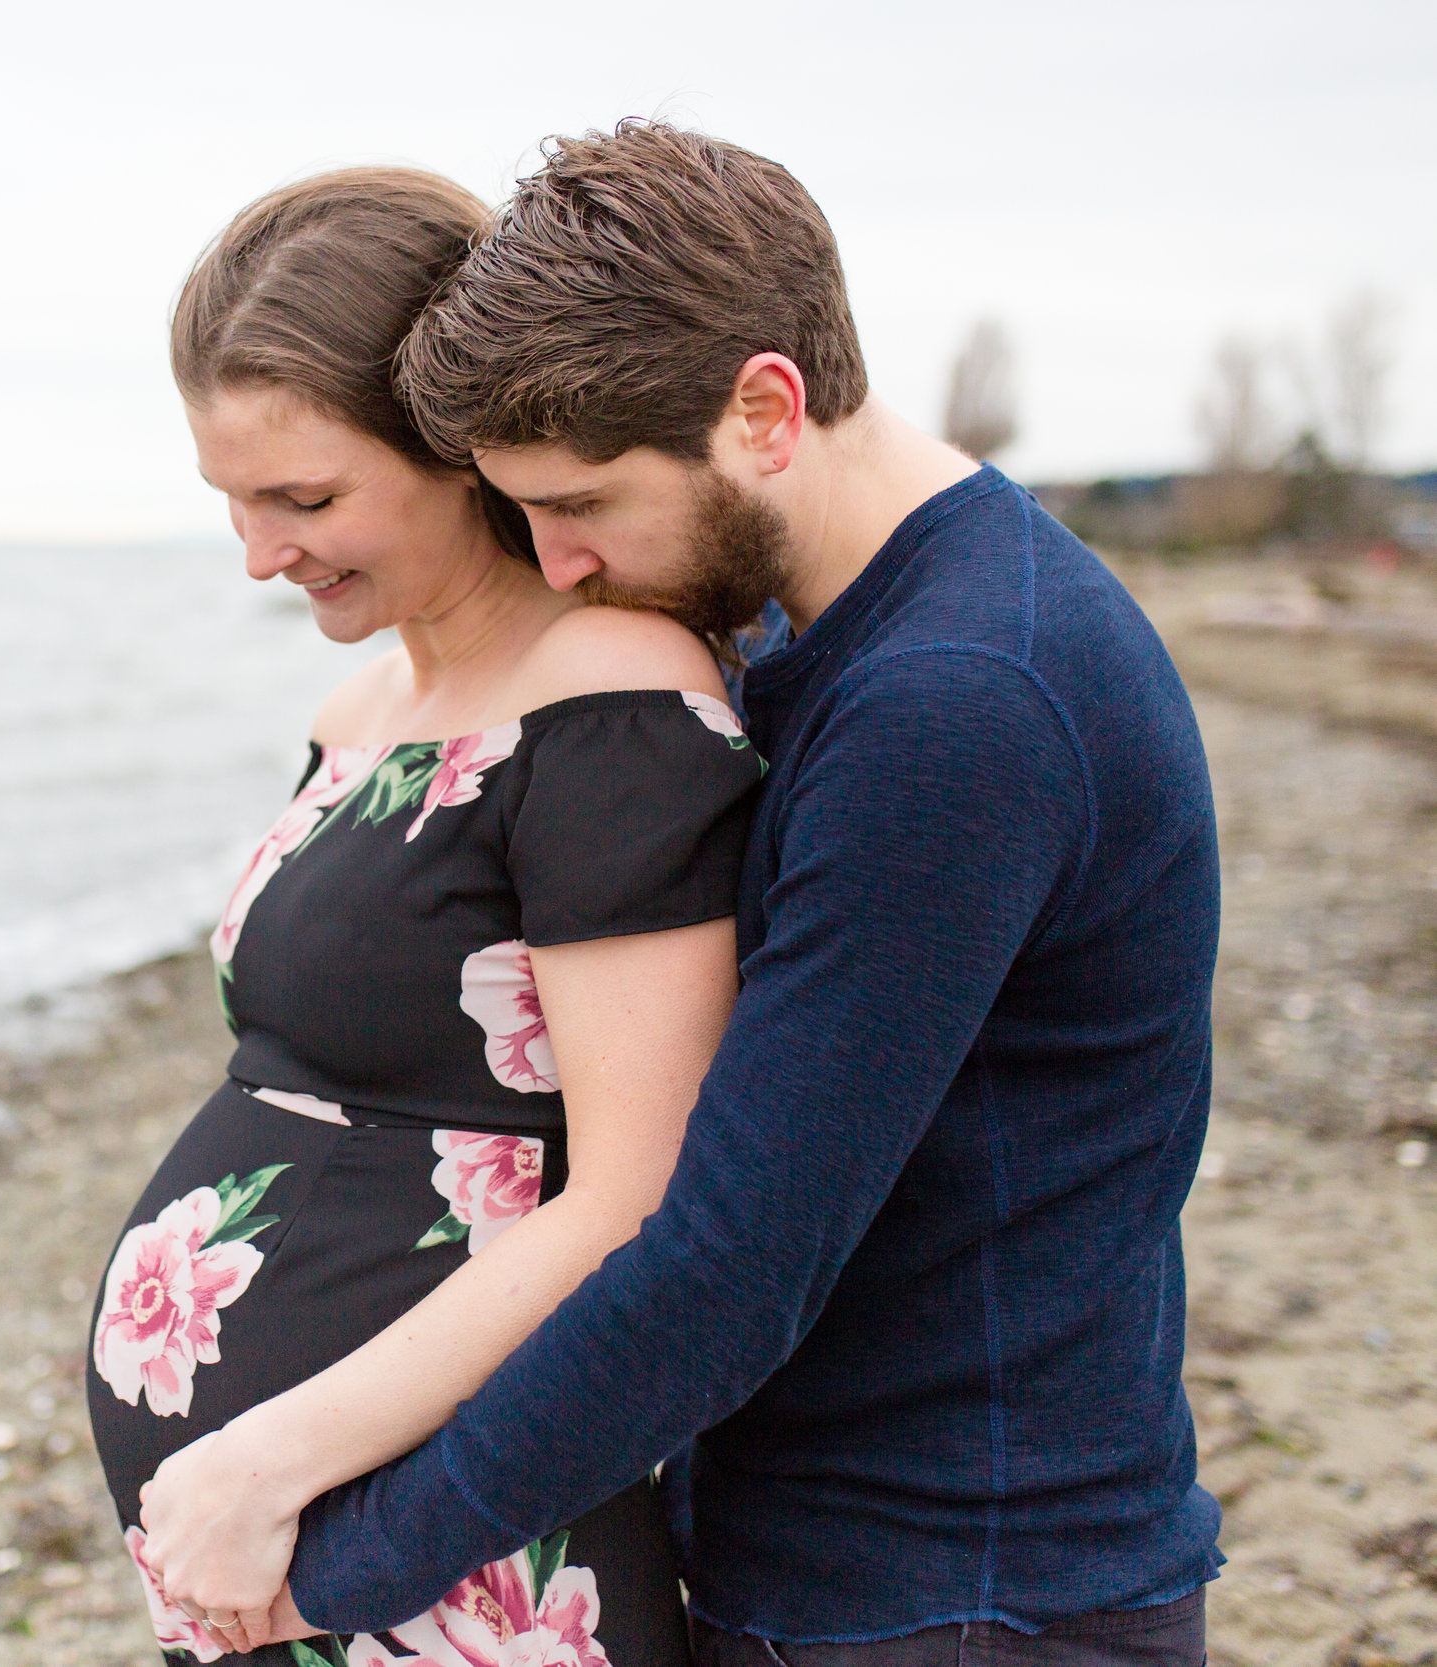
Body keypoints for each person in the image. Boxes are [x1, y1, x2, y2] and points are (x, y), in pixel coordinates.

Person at [145, 122, 1225, 1667]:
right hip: (851, 1558)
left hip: (958, 1592)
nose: (564, 567)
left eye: (584, 504)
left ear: (765, 409)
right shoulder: (830, 636)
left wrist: (344, 1563)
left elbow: (731, 1258)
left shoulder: (963, 700)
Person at [85, 165, 768, 1666]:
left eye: (306, 499)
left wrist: (264, 1463)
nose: (263, 556)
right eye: (234, 506)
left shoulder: (612, 698)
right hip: (275, 1542)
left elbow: (640, 1196)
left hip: (446, 1544)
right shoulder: (359, 710)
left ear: (462, 451)